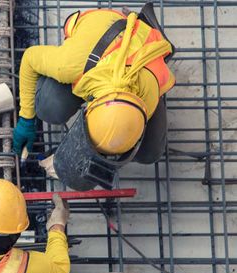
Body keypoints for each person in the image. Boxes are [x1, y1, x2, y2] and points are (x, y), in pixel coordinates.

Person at [11, 4, 175, 190]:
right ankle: (137, 20)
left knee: (150, 153)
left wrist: (77, 160)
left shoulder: (150, 94)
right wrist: (26, 118)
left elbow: (115, 134)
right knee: (49, 108)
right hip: (101, 32)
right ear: (90, 107)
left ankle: (149, 28)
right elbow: (29, 59)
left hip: (144, 54)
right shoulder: (71, 64)